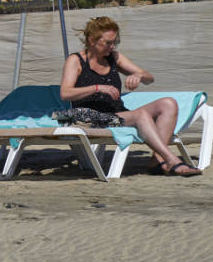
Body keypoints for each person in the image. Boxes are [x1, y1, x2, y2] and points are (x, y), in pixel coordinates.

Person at [59, 16, 200, 176]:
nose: (112, 46)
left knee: (168, 103)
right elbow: (65, 93)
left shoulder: (114, 57)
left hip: (115, 115)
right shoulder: (76, 60)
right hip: (90, 119)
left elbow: (149, 77)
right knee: (140, 115)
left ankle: (158, 160)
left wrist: (139, 76)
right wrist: (97, 88)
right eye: (108, 42)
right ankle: (172, 160)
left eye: (115, 42)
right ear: (92, 40)